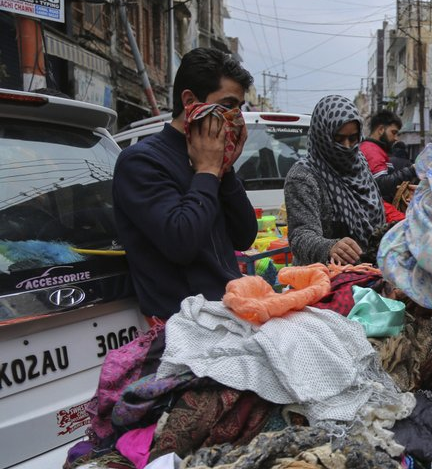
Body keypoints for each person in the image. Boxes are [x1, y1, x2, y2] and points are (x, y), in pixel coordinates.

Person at [112, 47, 257, 323]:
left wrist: (225, 171)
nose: (235, 118)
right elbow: (181, 242)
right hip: (184, 322)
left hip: (230, 308)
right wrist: (208, 172)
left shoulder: (213, 158)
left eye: (239, 108)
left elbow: (244, 236)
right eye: (227, 105)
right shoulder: (141, 162)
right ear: (190, 101)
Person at [284, 95, 386, 266]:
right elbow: (300, 235)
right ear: (322, 136)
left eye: (353, 138)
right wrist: (329, 247)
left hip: (368, 270)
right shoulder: (303, 177)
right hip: (325, 275)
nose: (347, 147)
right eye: (338, 139)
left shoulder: (360, 163)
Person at [360, 109, 418, 201]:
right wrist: (411, 170)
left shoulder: (374, 149)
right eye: (393, 132)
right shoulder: (371, 150)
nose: (396, 138)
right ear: (381, 130)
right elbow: (379, 184)